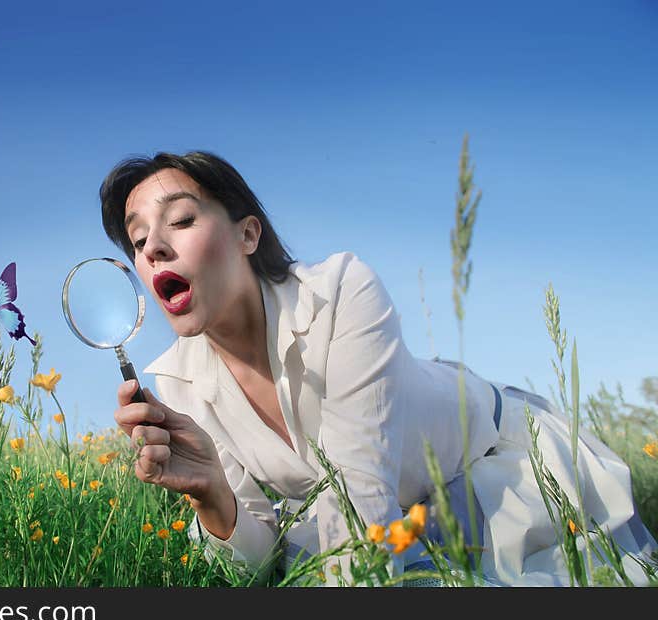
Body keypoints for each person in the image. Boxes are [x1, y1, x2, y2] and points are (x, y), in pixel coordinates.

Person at [103, 150, 657, 586]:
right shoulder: (178, 380)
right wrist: (212, 495)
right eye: (138, 238)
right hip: (380, 514)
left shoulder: (341, 291)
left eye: (180, 218)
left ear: (248, 234)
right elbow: (256, 566)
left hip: (495, 462)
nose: (153, 246)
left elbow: (362, 499)